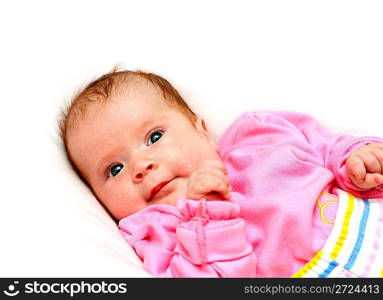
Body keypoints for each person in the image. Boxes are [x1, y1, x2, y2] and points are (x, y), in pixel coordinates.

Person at [59, 67, 383, 277]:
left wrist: (358, 158)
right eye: (114, 169)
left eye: (154, 137)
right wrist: (207, 219)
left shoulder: (259, 135)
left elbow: (328, 145)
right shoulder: (154, 233)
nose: (141, 166)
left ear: (201, 130)